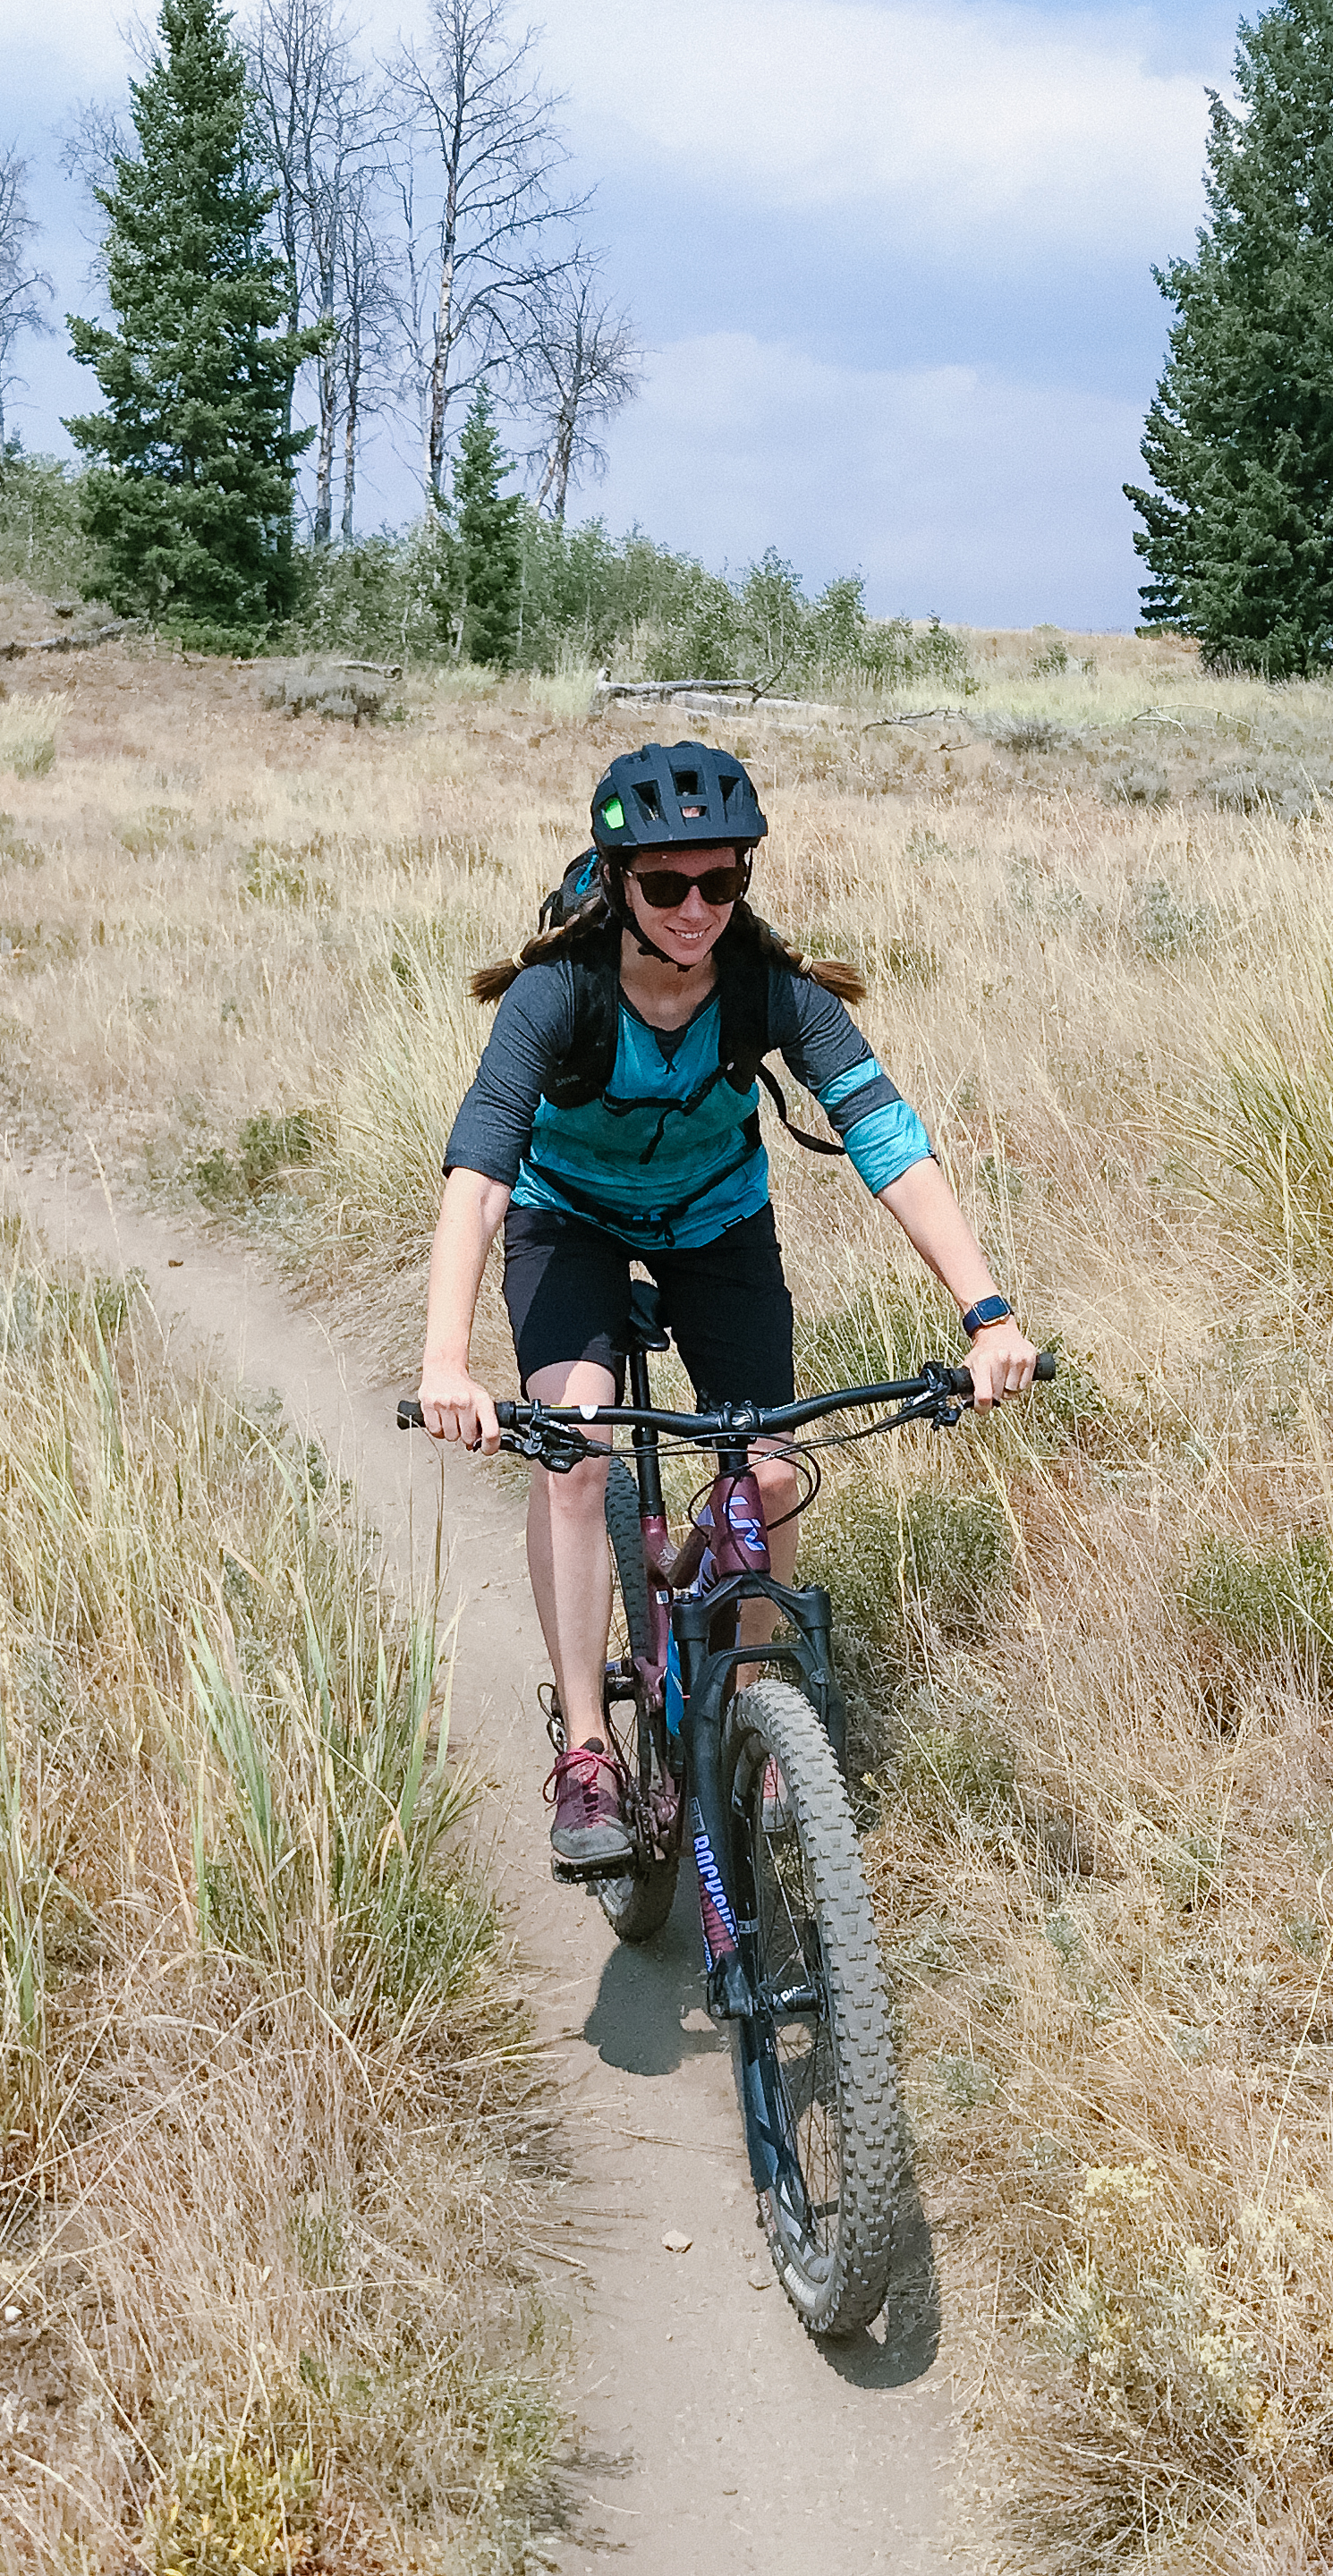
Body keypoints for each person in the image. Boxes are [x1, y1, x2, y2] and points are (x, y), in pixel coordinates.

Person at [417, 739, 1038, 1868]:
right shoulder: (562, 993)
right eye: (666, 885)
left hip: (714, 1224)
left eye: (722, 879)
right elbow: (481, 1175)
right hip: (572, 1226)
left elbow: (887, 1138)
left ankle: (761, 1716)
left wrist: (986, 1311)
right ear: (617, 884)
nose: (697, 907)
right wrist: (445, 1362)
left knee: (775, 1464)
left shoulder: (767, 987)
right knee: (580, 1447)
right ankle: (590, 1752)